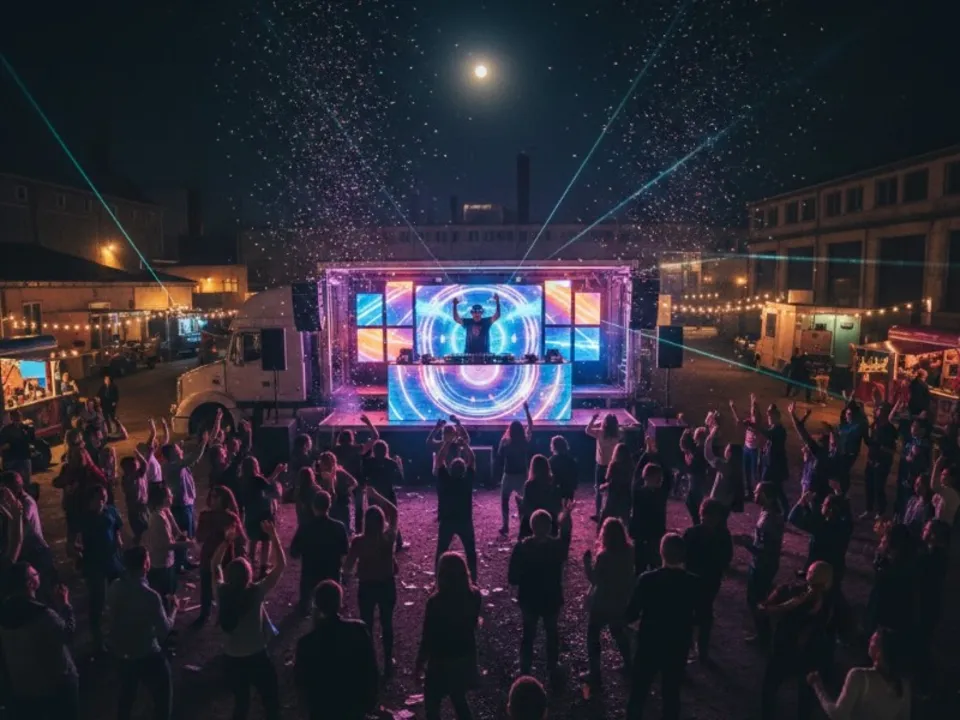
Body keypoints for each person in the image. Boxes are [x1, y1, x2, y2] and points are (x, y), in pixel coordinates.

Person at [624, 533, 702, 720]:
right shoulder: (694, 582)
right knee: (671, 693)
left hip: (649, 642)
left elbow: (632, 613)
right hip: (677, 644)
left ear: (661, 552)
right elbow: (700, 617)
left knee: (639, 692)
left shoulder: (647, 579)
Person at [214, 520, 286, 720]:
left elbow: (214, 565)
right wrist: (273, 536)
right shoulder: (256, 592)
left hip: (231, 658)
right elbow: (281, 566)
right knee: (271, 700)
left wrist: (226, 542)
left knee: (241, 703)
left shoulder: (221, 592)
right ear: (249, 575)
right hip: (256, 655)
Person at [759, 562, 837, 720]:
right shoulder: (830, 602)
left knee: (770, 686)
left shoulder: (788, 590)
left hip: (783, 648)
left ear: (808, 575)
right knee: (806, 695)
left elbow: (763, 609)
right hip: (809, 655)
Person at [105, 546, 176, 720]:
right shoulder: (150, 596)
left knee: (126, 697)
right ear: (146, 564)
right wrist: (174, 609)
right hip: (147, 653)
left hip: (123, 653)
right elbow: (164, 630)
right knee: (163, 697)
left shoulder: (115, 587)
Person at [0, 563, 76, 720]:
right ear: (30, 583)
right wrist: (65, 605)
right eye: (35, 574)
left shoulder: (4, 613)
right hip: (56, 683)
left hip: (23, 687)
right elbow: (67, 633)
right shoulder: (42, 614)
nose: (38, 575)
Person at [507, 504, 573, 683]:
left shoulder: (522, 548)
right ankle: (553, 665)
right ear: (550, 527)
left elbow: (513, 577)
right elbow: (566, 539)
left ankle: (525, 668)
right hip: (551, 598)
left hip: (529, 598)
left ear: (532, 526)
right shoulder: (556, 547)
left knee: (528, 633)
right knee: (552, 632)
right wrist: (566, 518)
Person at [295, 580, 379, 720]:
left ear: (317, 604)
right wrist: (370, 699)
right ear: (340, 603)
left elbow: (301, 683)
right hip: (354, 705)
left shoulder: (306, 643)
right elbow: (371, 667)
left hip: (323, 709)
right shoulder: (358, 630)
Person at [417, 552, 482, 720]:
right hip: (464, 655)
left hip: (441, 659)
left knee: (432, 705)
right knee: (459, 698)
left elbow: (428, 636)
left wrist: (419, 663)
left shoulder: (435, 602)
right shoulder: (474, 595)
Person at [344, 486, 400, 677]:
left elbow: (348, 566)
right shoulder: (388, 538)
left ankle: (369, 662)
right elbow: (394, 512)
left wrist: (347, 575)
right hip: (386, 584)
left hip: (366, 586)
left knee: (366, 624)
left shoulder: (358, 542)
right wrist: (377, 496)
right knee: (387, 623)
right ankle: (388, 661)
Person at [808, 627, 911, 720]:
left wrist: (818, 686)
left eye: (874, 640)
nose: (869, 641)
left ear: (880, 652)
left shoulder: (859, 676)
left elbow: (838, 715)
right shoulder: (904, 685)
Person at [581, 517, 634, 690]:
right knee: (618, 632)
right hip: (619, 600)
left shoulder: (604, 556)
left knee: (593, 636)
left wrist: (586, 563)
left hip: (602, 602)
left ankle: (595, 673)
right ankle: (629, 664)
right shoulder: (629, 552)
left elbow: (595, 579)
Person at [682, 498, 733, 663]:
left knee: (688, 614)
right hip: (711, 580)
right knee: (705, 614)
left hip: (692, 579)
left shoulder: (691, 533)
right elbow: (727, 558)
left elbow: (682, 557)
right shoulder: (723, 535)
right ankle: (702, 650)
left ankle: (686, 649)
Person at [735, 482, 785, 646]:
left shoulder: (769, 519)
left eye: (757, 492)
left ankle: (764, 636)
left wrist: (746, 543)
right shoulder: (770, 513)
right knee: (758, 599)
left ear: (765, 496)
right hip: (765, 563)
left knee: (757, 600)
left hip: (763, 565)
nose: (754, 494)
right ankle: (763, 634)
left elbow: (764, 550)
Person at [75, 483, 123, 651]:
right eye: (99, 498)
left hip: (112, 560)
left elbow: (117, 527)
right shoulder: (84, 518)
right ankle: (98, 638)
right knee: (97, 600)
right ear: (91, 500)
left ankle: (118, 630)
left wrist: (118, 540)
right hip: (94, 563)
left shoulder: (111, 511)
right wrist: (77, 550)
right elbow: (75, 541)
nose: (103, 500)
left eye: (104, 496)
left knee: (118, 594)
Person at [290, 490, 349, 616]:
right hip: (331, 574)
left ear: (313, 506)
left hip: (310, 575)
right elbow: (345, 551)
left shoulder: (305, 527)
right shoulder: (339, 527)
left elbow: (294, 552)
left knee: (307, 611)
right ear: (329, 505)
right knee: (332, 610)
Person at [194, 485, 246, 627]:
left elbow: (240, 539)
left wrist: (242, 557)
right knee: (206, 587)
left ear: (224, 499)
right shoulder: (205, 516)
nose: (213, 499)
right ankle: (205, 614)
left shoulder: (230, 517)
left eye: (216, 496)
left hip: (225, 558)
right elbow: (199, 537)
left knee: (224, 587)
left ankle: (225, 614)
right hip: (208, 556)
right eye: (212, 496)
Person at [0, 471, 55, 597]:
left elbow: (20, 528)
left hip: (37, 553)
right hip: (26, 553)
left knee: (42, 590)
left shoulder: (26, 503)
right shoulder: (13, 504)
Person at [434, 427, 478, 580]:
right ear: (464, 470)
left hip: (447, 520)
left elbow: (439, 460)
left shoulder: (445, 479)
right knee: (470, 552)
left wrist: (447, 443)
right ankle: (473, 581)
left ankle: (437, 581)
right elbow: (472, 460)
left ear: (450, 468)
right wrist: (466, 446)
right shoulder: (467, 481)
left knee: (441, 551)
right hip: (464, 521)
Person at [788, 490, 853, 594]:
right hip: (836, 567)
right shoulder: (845, 526)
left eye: (825, 504)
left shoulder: (820, 526)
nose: (822, 506)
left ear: (830, 510)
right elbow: (846, 512)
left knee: (817, 594)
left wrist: (801, 502)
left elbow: (793, 518)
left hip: (819, 569)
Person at [143, 484, 191, 610]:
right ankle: (165, 617)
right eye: (170, 495)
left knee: (169, 591)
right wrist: (187, 544)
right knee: (164, 595)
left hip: (166, 561)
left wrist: (180, 534)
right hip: (161, 563)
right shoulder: (158, 518)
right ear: (164, 499)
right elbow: (165, 545)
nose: (172, 496)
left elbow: (173, 524)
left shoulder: (163, 511)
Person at [240, 456, 286, 580]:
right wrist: (277, 481)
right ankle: (263, 568)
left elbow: (265, 482)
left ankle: (250, 564)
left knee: (253, 540)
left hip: (250, 514)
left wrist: (275, 473)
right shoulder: (258, 479)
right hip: (263, 513)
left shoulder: (243, 480)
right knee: (266, 540)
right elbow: (269, 486)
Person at [865, 523, 915, 636]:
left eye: (883, 541)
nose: (880, 543)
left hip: (886, 616)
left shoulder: (896, 568)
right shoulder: (900, 560)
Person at [334, 414, 379, 533]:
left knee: (342, 507)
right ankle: (359, 532)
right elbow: (375, 437)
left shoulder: (336, 450)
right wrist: (368, 423)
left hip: (341, 482)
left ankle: (344, 530)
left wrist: (339, 433)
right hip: (358, 481)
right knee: (359, 509)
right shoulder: (357, 449)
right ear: (352, 439)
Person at [498, 403, 534, 536]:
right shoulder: (524, 441)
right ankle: (523, 526)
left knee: (504, 501)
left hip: (508, 475)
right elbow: (530, 426)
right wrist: (527, 410)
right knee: (523, 502)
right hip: (522, 475)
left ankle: (505, 526)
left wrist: (504, 437)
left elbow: (500, 454)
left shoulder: (506, 443)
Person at [363, 438, 405, 550]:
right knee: (392, 517)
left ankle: (374, 542)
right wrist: (399, 465)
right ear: (386, 450)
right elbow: (400, 479)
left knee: (375, 517)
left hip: (374, 494)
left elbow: (363, 477)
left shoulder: (368, 462)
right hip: (388, 493)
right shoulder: (391, 463)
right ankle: (397, 542)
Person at [862, 399, 899, 519]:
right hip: (871, 460)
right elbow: (871, 442)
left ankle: (880, 511)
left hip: (882, 463)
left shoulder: (890, 429)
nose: (877, 411)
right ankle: (869, 509)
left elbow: (892, 449)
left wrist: (882, 451)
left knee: (879, 487)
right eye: (878, 409)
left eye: (880, 410)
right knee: (869, 486)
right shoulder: (875, 425)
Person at [629, 463, 668, 573]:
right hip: (651, 534)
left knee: (642, 566)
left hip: (644, 534)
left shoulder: (639, 493)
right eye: (658, 478)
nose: (660, 480)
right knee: (650, 565)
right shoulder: (659, 495)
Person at [586, 412, 621, 519]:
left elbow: (587, 430)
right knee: (612, 489)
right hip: (612, 465)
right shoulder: (618, 435)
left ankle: (598, 513)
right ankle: (612, 512)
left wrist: (594, 419)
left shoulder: (600, 433)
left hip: (601, 465)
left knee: (598, 490)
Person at [518, 454, 561, 539]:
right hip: (550, 520)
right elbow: (557, 504)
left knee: (524, 536)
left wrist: (520, 502)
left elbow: (526, 505)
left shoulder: (530, 485)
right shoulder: (553, 484)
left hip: (533, 519)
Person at [317, 451, 358, 533]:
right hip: (338, 503)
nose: (320, 465)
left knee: (340, 527)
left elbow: (354, 482)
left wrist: (347, 490)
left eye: (321, 462)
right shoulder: (329, 474)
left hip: (339, 503)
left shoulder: (337, 473)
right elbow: (354, 482)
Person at [729, 394, 763, 492]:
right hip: (747, 448)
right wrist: (733, 409)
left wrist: (734, 408)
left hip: (754, 450)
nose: (753, 412)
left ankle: (756, 491)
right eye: (752, 410)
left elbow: (748, 424)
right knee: (746, 470)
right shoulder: (750, 421)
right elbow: (739, 422)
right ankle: (749, 490)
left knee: (754, 472)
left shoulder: (757, 423)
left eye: (755, 411)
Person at [0, 409, 38, 499]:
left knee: (25, 483)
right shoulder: (6, 430)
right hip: (12, 460)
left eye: (19, 416)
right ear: (11, 418)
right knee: (13, 484)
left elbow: (32, 441)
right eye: (16, 416)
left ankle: (25, 499)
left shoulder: (25, 427)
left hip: (23, 458)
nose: (18, 418)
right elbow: (2, 446)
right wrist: (8, 446)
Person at [678, 426, 708, 524]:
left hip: (697, 479)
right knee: (692, 501)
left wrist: (687, 466)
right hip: (699, 478)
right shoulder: (700, 449)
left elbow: (693, 466)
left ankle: (698, 523)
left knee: (693, 502)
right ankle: (697, 522)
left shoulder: (700, 450)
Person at [599, 443, 633, 526]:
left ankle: (601, 532)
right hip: (625, 495)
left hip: (614, 495)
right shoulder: (630, 465)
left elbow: (610, 480)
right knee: (625, 519)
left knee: (605, 516)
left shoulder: (614, 465)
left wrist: (604, 487)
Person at [120, 453, 150, 543]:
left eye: (136, 463)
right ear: (127, 468)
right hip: (136, 511)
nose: (137, 465)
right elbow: (145, 464)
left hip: (143, 508)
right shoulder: (129, 478)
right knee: (141, 534)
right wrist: (137, 453)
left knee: (147, 532)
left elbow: (144, 464)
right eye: (134, 464)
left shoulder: (138, 474)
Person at [547, 435, 578, 501]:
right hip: (568, 489)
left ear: (553, 447)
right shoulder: (571, 461)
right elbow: (575, 476)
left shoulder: (551, 461)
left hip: (555, 490)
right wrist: (573, 486)